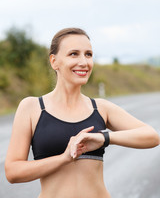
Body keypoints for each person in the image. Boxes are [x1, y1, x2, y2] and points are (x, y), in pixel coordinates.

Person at [5, 28, 159, 198]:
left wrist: (104, 138)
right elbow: (13, 172)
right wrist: (63, 158)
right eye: (74, 54)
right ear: (54, 61)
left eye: (88, 54)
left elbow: (151, 136)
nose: (84, 62)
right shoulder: (32, 107)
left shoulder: (100, 108)